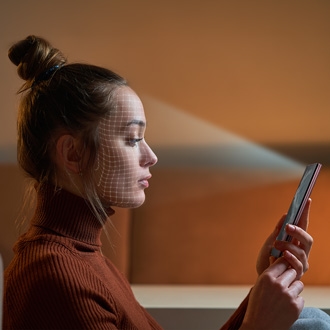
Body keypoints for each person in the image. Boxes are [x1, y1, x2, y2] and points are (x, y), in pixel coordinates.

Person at [2, 35, 330, 330]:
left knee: (309, 319)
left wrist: (261, 294)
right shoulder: (55, 279)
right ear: (72, 153)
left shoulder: (85, 257)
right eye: (132, 139)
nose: (151, 156)